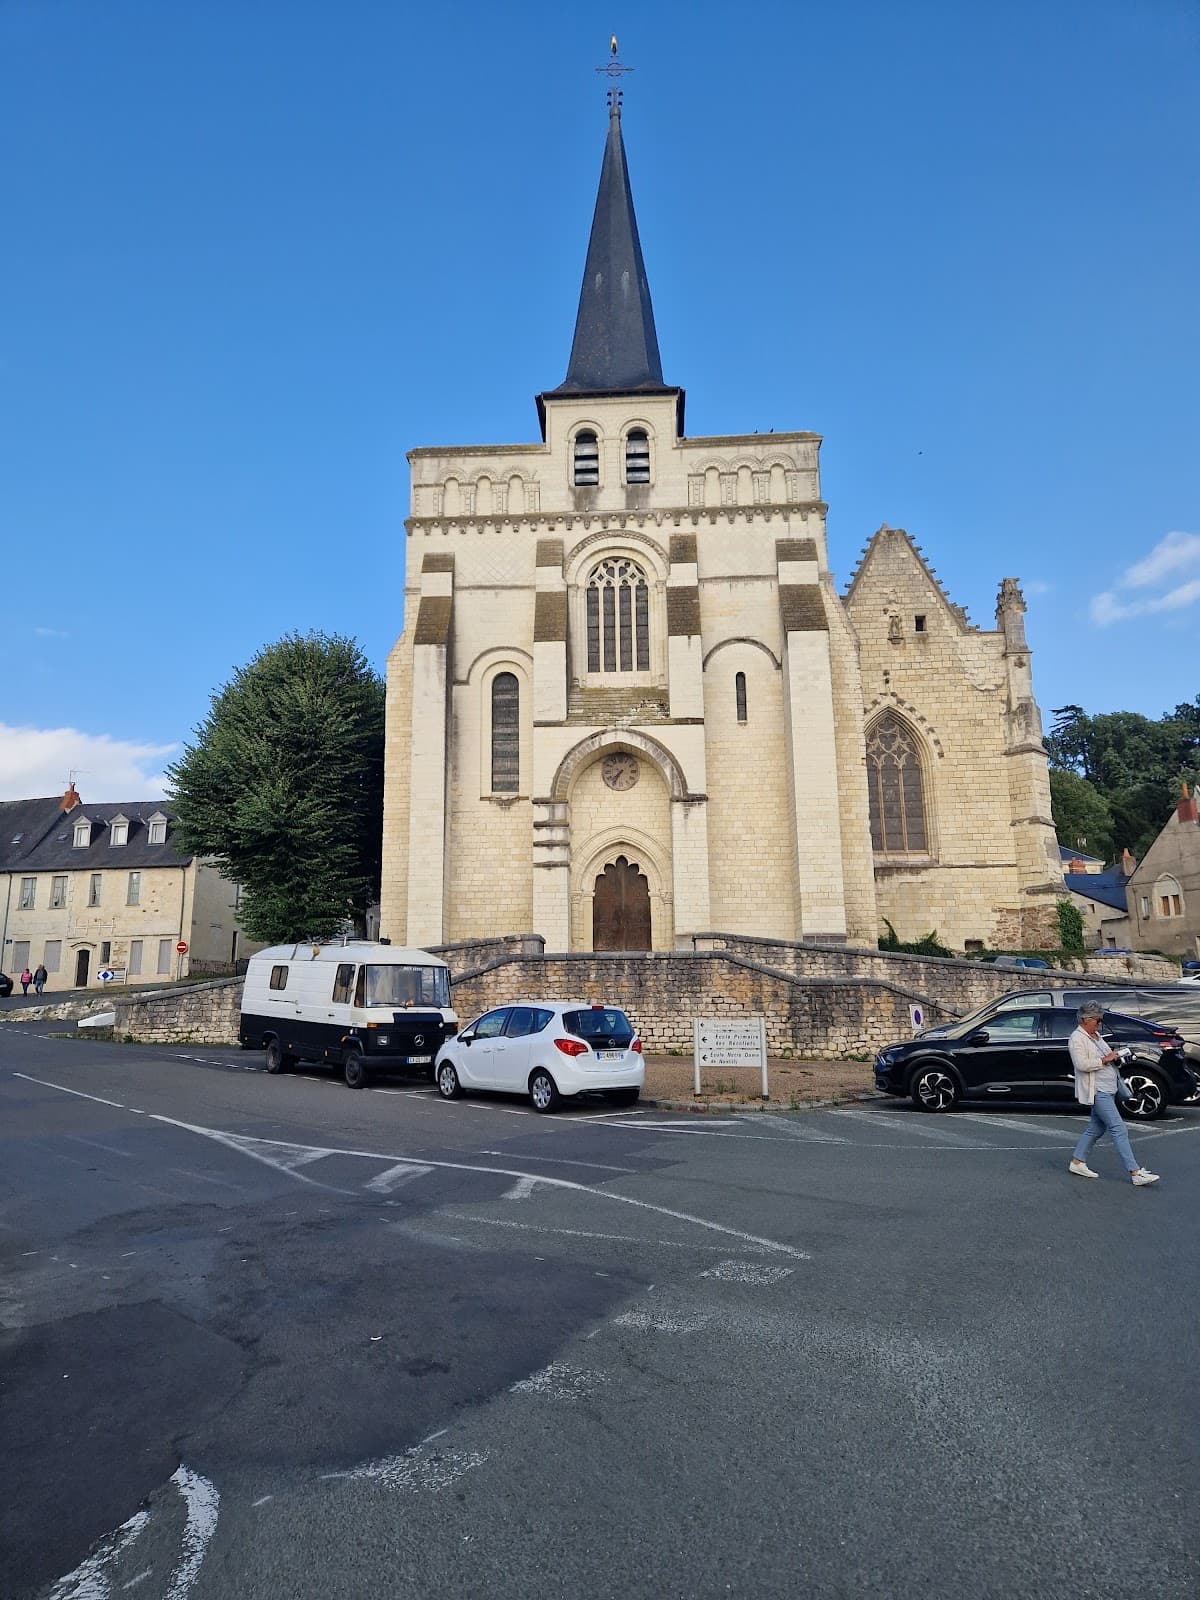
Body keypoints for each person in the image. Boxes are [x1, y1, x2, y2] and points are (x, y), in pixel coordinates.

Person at [1068, 1001, 1159, 1185]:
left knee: (1096, 1127)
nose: (1100, 1023)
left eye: (1101, 1020)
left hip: (1108, 1088)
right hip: (1097, 1090)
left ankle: (1077, 1162)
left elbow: (1107, 1057)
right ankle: (1135, 1173)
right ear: (1086, 1019)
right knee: (1119, 1128)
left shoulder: (1096, 1036)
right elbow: (1082, 1065)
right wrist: (1105, 1059)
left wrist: (1116, 1056)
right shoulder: (1077, 1038)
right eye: (1097, 1020)